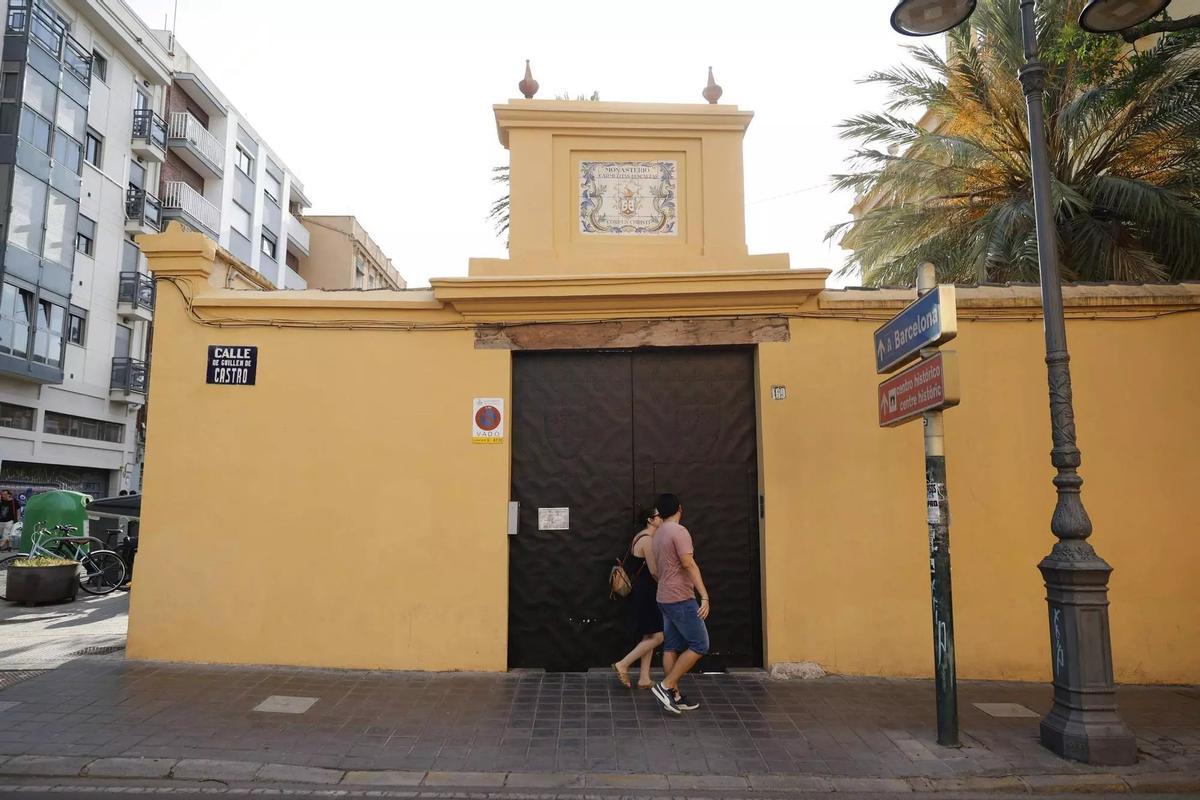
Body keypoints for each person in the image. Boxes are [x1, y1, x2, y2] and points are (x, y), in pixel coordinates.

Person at [650, 493, 710, 715]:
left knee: (671, 646)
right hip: (680, 598)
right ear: (680, 508)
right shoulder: (679, 531)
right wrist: (704, 595)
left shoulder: (657, 534)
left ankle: (673, 695)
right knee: (700, 644)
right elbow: (688, 563)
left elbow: (656, 570)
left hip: (664, 597)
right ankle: (665, 686)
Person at [612, 507, 663, 689]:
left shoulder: (639, 536)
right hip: (646, 592)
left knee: (649, 634)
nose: (662, 518)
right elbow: (655, 571)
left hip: (640, 592)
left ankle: (644, 678)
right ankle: (623, 664)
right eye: (659, 516)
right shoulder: (648, 540)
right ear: (650, 520)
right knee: (658, 636)